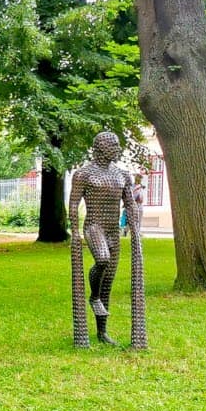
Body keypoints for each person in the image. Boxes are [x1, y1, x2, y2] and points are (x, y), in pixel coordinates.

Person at [68, 131, 147, 349]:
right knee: (102, 260)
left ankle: (102, 331)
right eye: (114, 146)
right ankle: (93, 297)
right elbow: (74, 203)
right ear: (101, 147)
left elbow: (130, 203)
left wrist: (135, 228)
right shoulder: (83, 174)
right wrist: (75, 230)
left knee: (108, 283)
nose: (118, 149)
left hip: (113, 230)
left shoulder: (122, 175)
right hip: (94, 227)